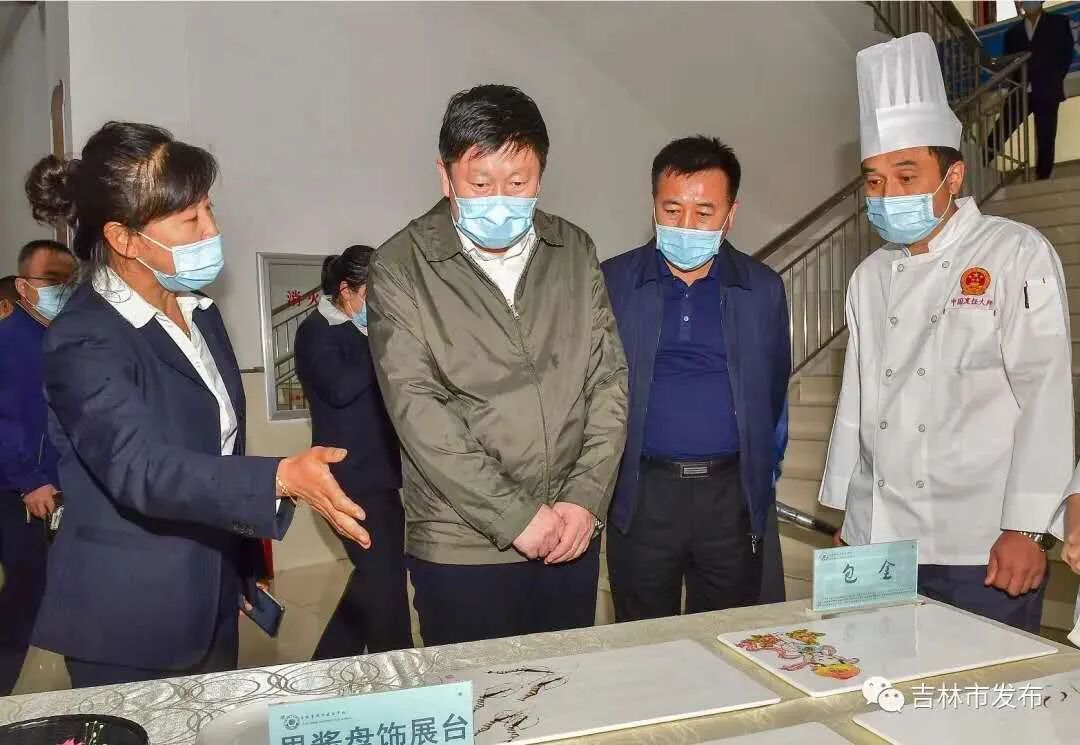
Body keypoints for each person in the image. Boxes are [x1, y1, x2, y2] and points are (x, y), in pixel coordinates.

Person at [24, 121, 370, 688]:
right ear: (125, 238)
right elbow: (141, 467)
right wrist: (280, 478)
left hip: (209, 594)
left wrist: (242, 564)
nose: (212, 229)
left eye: (209, 208)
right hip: (130, 617)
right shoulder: (84, 338)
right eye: (191, 219)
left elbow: (220, 447)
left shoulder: (200, 313)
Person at [819, 33, 1073, 633]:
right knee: (871, 677)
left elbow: (1045, 392)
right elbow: (858, 400)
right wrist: (851, 512)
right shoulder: (868, 276)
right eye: (874, 181)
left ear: (953, 175)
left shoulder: (1015, 252)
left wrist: (1028, 527)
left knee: (980, 688)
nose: (888, 195)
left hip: (978, 544)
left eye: (907, 175)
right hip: (878, 534)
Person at [368, 84, 629, 646]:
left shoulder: (573, 250)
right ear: (445, 177)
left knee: (567, 686)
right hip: (461, 544)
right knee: (481, 693)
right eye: (480, 184)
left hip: (569, 532)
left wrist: (584, 500)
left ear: (541, 176)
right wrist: (515, 517)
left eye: (518, 183)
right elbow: (419, 411)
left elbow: (607, 380)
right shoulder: (400, 266)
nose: (500, 200)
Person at [600, 136, 791, 622]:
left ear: (730, 214)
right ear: (653, 207)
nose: (686, 225)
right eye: (672, 209)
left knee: (728, 634)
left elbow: (773, 393)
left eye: (704, 213)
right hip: (642, 494)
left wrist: (759, 476)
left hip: (729, 499)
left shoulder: (761, 289)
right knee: (641, 637)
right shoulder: (613, 282)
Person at [295, 245, 412, 658]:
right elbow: (340, 389)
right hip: (347, 477)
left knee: (378, 576)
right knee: (383, 580)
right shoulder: (316, 330)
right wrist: (380, 341)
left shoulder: (361, 334)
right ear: (346, 290)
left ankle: (326, 666)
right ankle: (398, 668)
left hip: (379, 475)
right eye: (372, 294)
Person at [0, 240, 75, 695]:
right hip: (18, 490)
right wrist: (30, 480)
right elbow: (6, 420)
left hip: (46, 485)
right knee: (25, 591)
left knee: (37, 586)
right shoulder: (13, 339)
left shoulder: (54, 336)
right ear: (24, 286)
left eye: (69, 281)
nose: (62, 289)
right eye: (52, 280)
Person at [1001, 1, 1075, 180]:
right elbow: (1008, 63)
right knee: (1001, 130)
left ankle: (1043, 176)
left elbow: (1066, 55)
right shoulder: (1012, 33)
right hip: (1020, 91)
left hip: (1047, 89)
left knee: (1046, 136)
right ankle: (979, 161)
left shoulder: (1059, 23)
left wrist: (1053, 79)